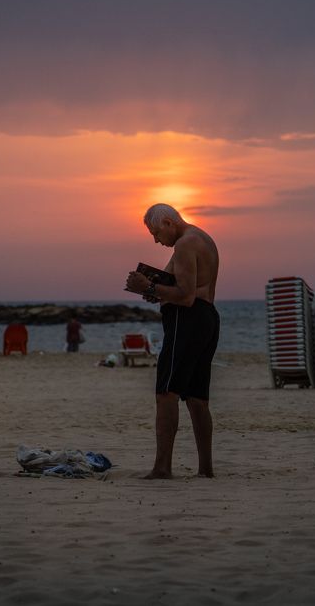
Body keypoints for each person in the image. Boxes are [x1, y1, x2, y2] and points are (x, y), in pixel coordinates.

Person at [125, 203, 220, 479]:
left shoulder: (185, 244)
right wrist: (153, 289)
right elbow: (182, 286)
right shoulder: (203, 238)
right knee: (197, 398)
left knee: (166, 393)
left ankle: (162, 468)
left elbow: (187, 295)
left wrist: (149, 287)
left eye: (156, 233)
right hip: (207, 319)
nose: (156, 240)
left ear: (168, 223)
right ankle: (206, 469)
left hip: (187, 320)